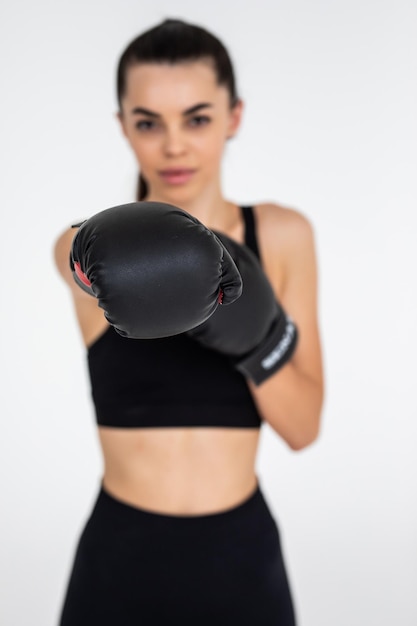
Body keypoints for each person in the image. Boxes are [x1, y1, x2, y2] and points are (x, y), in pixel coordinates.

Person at [54, 18, 324, 626]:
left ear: (234, 116)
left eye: (197, 118)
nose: (173, 145)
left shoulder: (281, 237)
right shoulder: (85, 251)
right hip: (119, 559)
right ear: (123, 126)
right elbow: (70, 256)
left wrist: (257, 341)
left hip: (241, 558)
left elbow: (303, 429)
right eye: (148, 122)